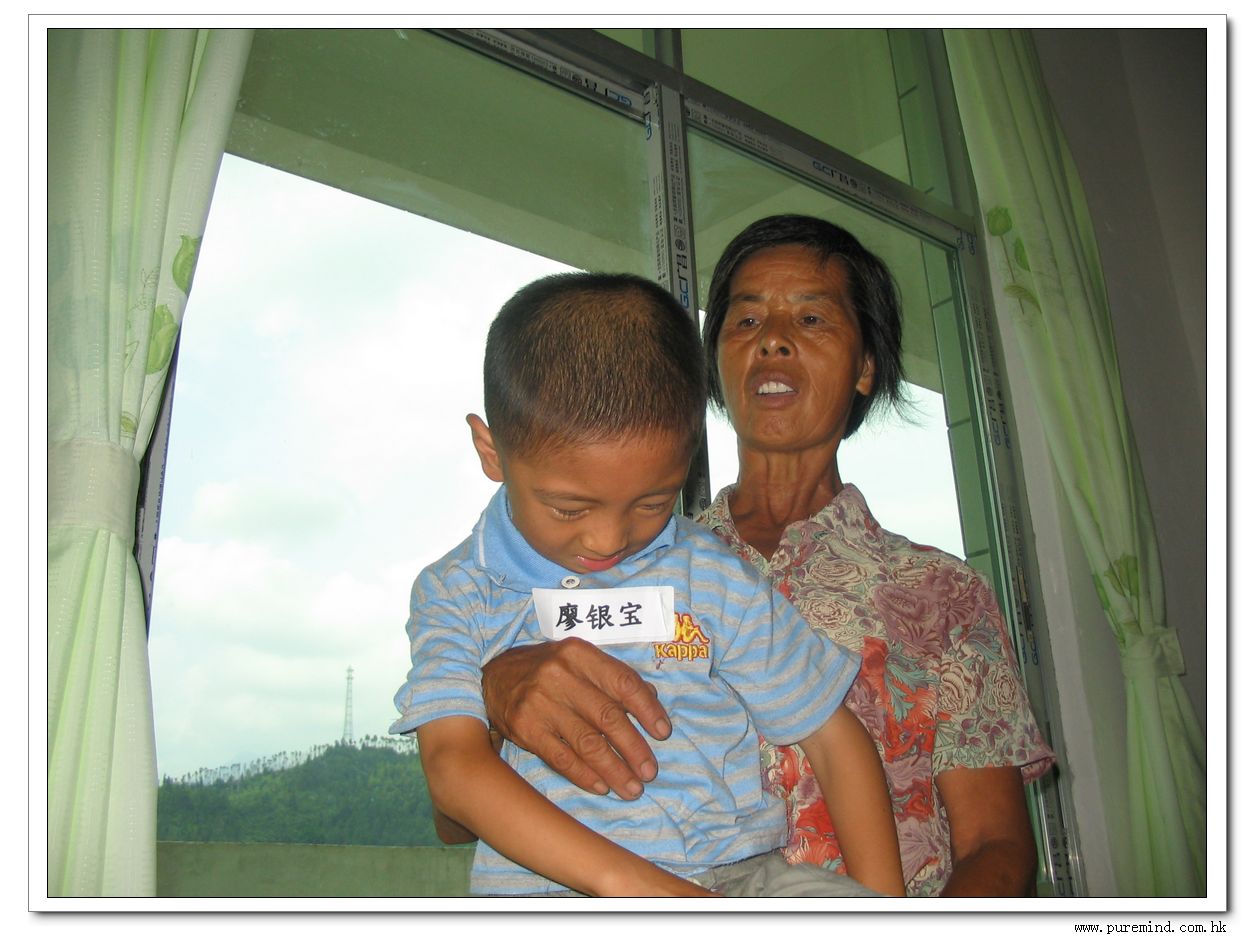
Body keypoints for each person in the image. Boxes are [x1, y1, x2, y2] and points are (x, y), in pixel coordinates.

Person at [479, 216, 1057, 898]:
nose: (772, 339)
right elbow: (460, 815)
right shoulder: (608, 562)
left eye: (810, 318)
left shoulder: (942, 592)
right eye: (747, 320)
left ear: (866, 366)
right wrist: (493, 698)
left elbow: (995, 846)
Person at [390, 271, 906, 898]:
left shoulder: (709, 572)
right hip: (550, 890)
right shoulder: (457, 592)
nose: (609, 539)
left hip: (739, 877)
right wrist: (650, 894)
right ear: (491, 450)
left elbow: (831, 735)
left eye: (653, 502)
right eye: (569, 508)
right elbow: (454, 769)